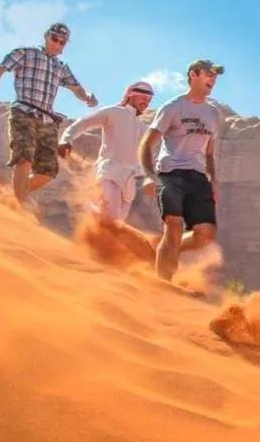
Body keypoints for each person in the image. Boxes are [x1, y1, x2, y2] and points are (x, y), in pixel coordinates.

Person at [0, 22, 98, 207]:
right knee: (23, 158)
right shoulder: (25, 53)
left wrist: (87, 97)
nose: (57, 44)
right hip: (23, 112)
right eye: (54, 39)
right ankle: (21, 205)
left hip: (47, 120)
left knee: (48, 171)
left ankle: (13, 197)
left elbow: (77, 88)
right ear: (46, 36)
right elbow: (0, 69)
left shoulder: (61, 67)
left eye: (62, 42)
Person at [138, 59, 224, 282]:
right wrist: (150, 176)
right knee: (174, 225)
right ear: (193, 75)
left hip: (198, 177)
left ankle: (169, 246)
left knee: (206, 234)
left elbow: (209, 153)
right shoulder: (173, 107)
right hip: (170, 173)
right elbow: (147, 144)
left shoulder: (214, 114)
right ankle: (163, 287)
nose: (213, 80)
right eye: (208, 74)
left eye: (215, 76)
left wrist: (214, 182)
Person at [57, 80, 155, 223]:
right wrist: (66, 139)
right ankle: (88, 208)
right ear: (130, 95)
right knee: (111, 217)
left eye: (149, 100)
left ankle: (92, 214)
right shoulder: (114, 112)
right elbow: (83, 123)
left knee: (118, 221)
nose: (146, 102)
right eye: (143, 98)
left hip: (131, 180)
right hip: (111, 170)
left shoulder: (143, 128)